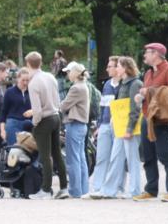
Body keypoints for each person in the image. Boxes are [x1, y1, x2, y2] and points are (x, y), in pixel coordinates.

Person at [133, 43, 168, 202]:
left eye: (147, 53)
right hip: (147, 117)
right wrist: (142, 97)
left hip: (161, 119)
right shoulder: (148, 73)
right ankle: (151, 190)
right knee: (148, 156)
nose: (145, 56)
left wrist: (150, 91)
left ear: (157, 54)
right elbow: (151, 93)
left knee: (165, 154)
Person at [97, 56, 144, 199]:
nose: (116, 68)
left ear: (125, 68)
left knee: (132, 159)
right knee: (116, 157)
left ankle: (134, 190)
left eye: (118, 66)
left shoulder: (135, 84)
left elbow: (134, 108)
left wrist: (129, 129)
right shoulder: (124, 83)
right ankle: (109, 190)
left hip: (129, 128)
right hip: (120, 127)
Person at [25, 52, 68, 199]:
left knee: (45, 156)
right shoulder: (50, 77)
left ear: (28, 64)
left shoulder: (33, 83)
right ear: (41, 62)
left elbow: (37, 110)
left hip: (44, 120)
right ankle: (63, 187)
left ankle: (46, 189)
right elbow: (57, 100)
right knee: (57, 154)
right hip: (56, 116)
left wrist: (35, 123)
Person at [89, 57, 120, 196]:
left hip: (118, 124)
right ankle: (98, 187)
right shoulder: (107, 84)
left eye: (110, 66)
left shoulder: (123, 84)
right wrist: (100, 125)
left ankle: (117, 187)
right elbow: (103, 106)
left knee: (117, 158)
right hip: (106, 124)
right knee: (102, 156)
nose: (107, 69)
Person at [60, 63, 90, 198]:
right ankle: (83, 189)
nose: (67, 74)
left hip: (74, 124)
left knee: (73, 160)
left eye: (68, 72)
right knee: (81, 158)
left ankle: (75, 190)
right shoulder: (84, 86)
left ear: (75, 73)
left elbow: (63, 106)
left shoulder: (76, 88)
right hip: (81, 126)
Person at [1, 68, 32, 148]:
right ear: (18, 79)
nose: (25, 83)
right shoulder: (9, 92)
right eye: (23, 80)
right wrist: (2, 130)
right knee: (15, 150)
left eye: (27, 80)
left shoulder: (32, 92)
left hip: (29, 123)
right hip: (13, 123)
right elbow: (3, 111)